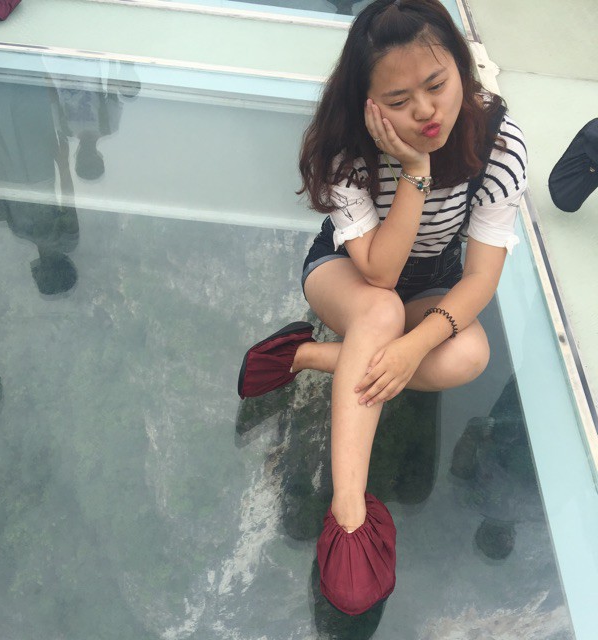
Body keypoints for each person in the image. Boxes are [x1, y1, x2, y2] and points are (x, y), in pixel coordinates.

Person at [238, 0, 527, 615]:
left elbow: (481, 276)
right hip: (349, 270)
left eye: (437, 84)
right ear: (367, 102)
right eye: (399, 100)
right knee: (380, 312)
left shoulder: (498, 144)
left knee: (469, 355)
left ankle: (310, 356)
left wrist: (413, 349)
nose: (425, 110)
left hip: (433, 281)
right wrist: (415, 171)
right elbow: (379, 272)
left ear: (461, 69)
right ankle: (347, 511)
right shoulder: (348, 149)